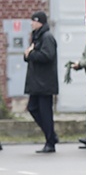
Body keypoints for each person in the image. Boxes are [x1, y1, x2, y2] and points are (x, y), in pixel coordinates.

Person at [24, 11, 59, 153]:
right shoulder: (37, 37)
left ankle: (50, 141)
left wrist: (31, 54)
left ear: (40, 22)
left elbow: (47, 56)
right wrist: (28, 55)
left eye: (34, 21)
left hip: (45, 83)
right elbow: (29, 55)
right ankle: (51, 136)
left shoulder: (47, 37)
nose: (31, 23)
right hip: (36, 83)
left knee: (45, 113)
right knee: (33, 108)